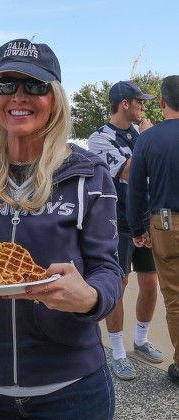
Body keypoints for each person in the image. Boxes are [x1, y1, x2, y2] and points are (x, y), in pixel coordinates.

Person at [0, 38, 123, 420]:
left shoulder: (90, 175)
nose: (19, 96)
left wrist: (92, 298)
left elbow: (108, 268)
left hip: (73, 389)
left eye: (34, 85)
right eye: (6, 84)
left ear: (55, 97)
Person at [88, 80, 163, 381]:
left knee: (150, 283)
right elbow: (129, 172)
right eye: (140, 103)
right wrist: (147, 140)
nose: (144, 108)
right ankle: (118, 352)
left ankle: (141, 340)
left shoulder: (140, 133)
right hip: (116, 222)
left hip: (145, 219)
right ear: (124, 104)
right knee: (118, 284)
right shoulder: (99, 138)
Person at [127, 75, 179, 386]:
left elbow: (136, 191)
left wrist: (137, 228)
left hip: (165, 223)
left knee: (175, 298)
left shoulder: (147, 139)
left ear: (161, 103)